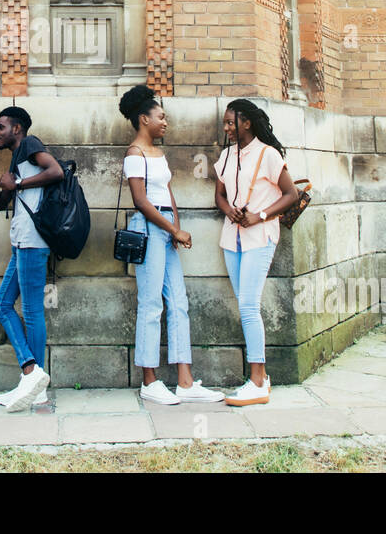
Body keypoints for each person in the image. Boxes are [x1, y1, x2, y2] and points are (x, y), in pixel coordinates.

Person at [119, 85, 225, 405]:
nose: (165, 122)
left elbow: (167, 192)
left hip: (165, 230)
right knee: (152, 305)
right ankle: (149, 381)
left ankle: (185, 382)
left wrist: (176, 228)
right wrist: (171, 229)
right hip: (149, 228)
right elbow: (141, 200)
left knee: (178, 303)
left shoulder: (158, 154)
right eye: (160, 117)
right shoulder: (134, 154)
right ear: (143, 119)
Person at [213, 98, 300, 407]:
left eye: (230, 123)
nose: (226, 128)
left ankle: (258, 381)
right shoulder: (226, 155)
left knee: (250, 306)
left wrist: (260, 215)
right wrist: (231, 211)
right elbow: (219, 196)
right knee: (245, 305)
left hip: (260, 237)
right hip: (232, 238)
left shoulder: (268, 154)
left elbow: (292, 194)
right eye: (225, 123)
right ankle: (258, 379)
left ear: (246, 122)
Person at [0, 106, 62, 411]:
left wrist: (20, 184)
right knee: (1, 305)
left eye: (1, 127)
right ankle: (31, 374)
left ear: (17, 129)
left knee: (32, 311)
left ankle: (35, 385)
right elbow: (2, 202)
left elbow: (56, 171)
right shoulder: (16, 157)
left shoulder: (30, 144)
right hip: (20, 243)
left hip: (33, 243)